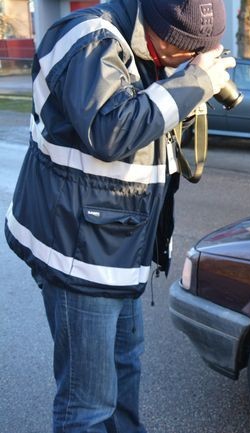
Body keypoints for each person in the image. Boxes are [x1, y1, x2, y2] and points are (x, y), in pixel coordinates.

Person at [4, 0, 235, 431]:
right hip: (78, 255)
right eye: (189, 53)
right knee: (88, 404)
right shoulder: (87, 40)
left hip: (118, 252)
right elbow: (111, 131)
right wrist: (189, 85)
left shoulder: (151, 52)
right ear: (161, 33)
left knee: (125, 372)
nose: (195, 62)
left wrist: (186, 89)